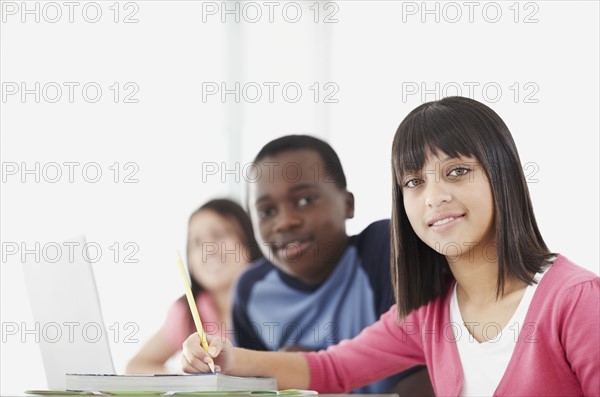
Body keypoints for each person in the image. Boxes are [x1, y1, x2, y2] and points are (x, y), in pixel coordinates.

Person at [180, 97, 600, 396]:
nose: (433, 196)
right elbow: (334, 368)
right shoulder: (428, 314)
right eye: (414, 181)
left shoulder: (575, 301)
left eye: (456, 171)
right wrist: (227, 359)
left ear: (502, 175)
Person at [231, 135, 430, 393]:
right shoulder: (251, 290)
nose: (285, 222)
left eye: (304, 200)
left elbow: (423, 381)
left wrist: (302, 373)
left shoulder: (386, 250)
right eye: (267, 211)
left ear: (348, 204)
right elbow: (251, 388)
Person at [126, 199, 261, 374]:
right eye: (196, 242)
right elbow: (136, 366)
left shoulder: (280, 300)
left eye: (218, 235)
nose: (208, 250)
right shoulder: (187, 311)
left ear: (249, 239)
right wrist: (189, 382)